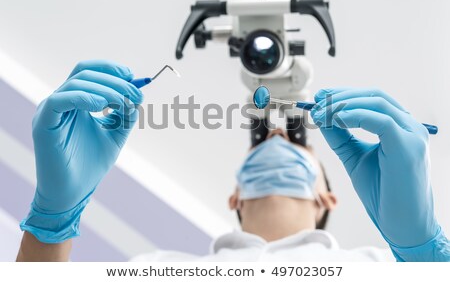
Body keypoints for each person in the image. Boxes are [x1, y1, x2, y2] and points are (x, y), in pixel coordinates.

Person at [15, 60, 450, 262]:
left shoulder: (377, 268)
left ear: (328, 198)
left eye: (299, 149)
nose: (277, 137)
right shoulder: (159, 268)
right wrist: (54, 219)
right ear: (234, 196)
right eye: (260, 148)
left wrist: (425, 253)